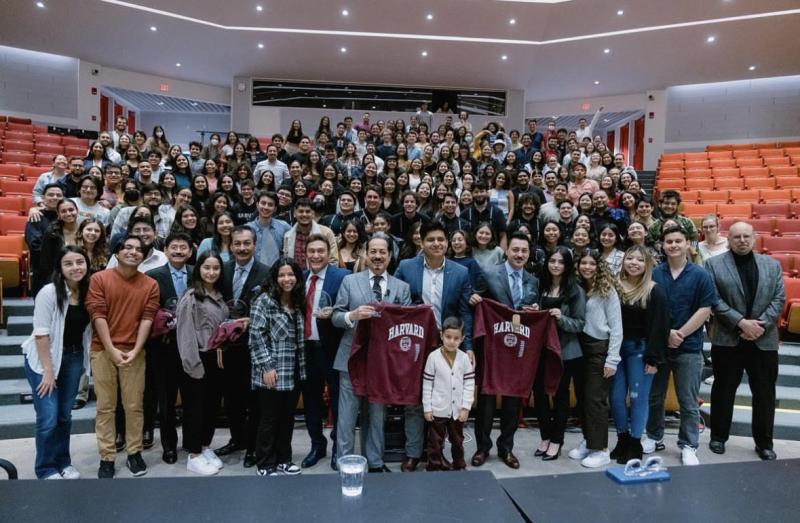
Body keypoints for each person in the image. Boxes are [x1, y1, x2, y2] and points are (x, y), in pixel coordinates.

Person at [395, 221, 473, 472]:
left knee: (443, 401)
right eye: (431, 240)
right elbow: (396, 303)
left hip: (448, 344)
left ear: (447, 243)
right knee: (415, 400)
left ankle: (438, 453)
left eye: (441, 239)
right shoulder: (406, 267)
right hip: (414, 343)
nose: (436, 244)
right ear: (421, 242)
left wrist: (467, 345)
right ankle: (414, 452)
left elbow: (464, 312)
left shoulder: (460, 272)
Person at [332, 233, 412, 472]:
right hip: (350, 358)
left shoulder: (402, 288)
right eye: (373, 251)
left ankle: (375, 462)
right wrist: (351, 316)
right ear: (365, 254)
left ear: (389, 256)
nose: (377, 256)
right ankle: (344, 461)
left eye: (382, 252)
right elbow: (335, 316)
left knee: (377, 415)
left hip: (382, 363)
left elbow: (406, 326)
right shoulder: (349, 281)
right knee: (347, 416)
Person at [705, 222, 785, 460]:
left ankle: (764, 443)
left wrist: (758, 326)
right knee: (723, 390)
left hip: (763, 338)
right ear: (728, 239)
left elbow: (779, 299)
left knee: (764, 393)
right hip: (729, 338)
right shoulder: (713, 264)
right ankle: (718, 437)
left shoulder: (772, 265)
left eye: (746, 236)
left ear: (755, 238)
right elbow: (714, 299)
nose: (742, 240)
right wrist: (741, 322)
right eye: (736, 236)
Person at [86, 235, 160, 479]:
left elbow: (148, 318)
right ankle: (107, 457)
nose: (133, 252)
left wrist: (136, 350)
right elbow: (98, 315)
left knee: (133, 406)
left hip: (134, 352)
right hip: (102, 350)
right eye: (127, 247)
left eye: (139, 249)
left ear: (144, 256)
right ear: (117, 252)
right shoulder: (99, 279)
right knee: (105, 407)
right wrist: (111, 349)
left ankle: (134, 453)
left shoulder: (150, 284)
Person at [645, 226, 717, 466]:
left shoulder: (700, 275)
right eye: (668, 241)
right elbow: (648, 308)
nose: (673, 245)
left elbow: (705, 308)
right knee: (655, 397)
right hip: (660, 346)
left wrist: (680, 334)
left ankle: (688, 445)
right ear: (662, 246)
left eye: (678, 241)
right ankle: (654, 436)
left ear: (688, 244)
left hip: (689, 347)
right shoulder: (654, 273)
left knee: (688, 400)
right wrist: (665, 334)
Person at [468, 232, 539, 469]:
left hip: (518, 350)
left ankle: (506, 448)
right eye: (515, 249)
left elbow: (531, 312)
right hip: (492, 348)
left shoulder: (533, 280)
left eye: (524, 251)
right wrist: (474, 300)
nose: (519, 254)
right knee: (487, 400)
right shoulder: (489, 274)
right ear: (506, 251)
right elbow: (473, 302)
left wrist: (536, 308)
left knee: (513, 400)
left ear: (528, 254)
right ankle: (482, 448)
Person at [22, 246, 92, 479]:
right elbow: (41, 334)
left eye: (80, 262)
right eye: (69, 263)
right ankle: (45, 468)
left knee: (64, 416)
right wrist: (48, 372)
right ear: (60, 269)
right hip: (44, 360)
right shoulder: (49, 292)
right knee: (48, 418)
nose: (75, 267)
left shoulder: (89, 291)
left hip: (72, 357)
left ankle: (63, 462)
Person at [213, 227, 271, 468]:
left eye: (247, 243)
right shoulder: (221, 270)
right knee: (232, 398)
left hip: (253, 346)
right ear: (231, 245)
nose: (242, 248)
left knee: (253, 400)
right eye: (237, 244)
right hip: (225, 347)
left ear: (254, 245)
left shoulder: (266, 273)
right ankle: (237, 439)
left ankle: (252, 446)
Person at [610, 245, 670, 463]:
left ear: (648, 265)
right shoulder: (613, 287)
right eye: (630, 258)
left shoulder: (655, 290)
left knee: (637, 398)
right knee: (616, 398)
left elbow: (660, 327)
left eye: (640, 260)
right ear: (623, 261)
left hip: (640, 350)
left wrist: (653, 359)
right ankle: (622, 439)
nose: (634, 263)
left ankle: (635, 443)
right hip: (616, 350)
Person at [250, 257, 307, 476]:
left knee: (287, 418)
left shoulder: (297, 301)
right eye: (282, 275)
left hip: (293, 370)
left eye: (291, 275)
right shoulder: (264, 300)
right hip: (272, 370)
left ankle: (284, 459)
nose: (286, 279)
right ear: (275, 278)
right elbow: (256, 336)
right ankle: (265, 463)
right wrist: (267, 367)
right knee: (269, 419)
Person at [175, 251, 230, 475]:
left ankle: (205, 446)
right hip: (197, 358)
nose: (211, 272)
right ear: (198, 269)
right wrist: (192, 365)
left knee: (211, 407)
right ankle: (194, 454)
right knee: (195, 408)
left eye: (216, 268)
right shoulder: (191, 297)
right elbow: (185, 334)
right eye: (207, 267)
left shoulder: (219, 294)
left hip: (217, 358)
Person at [567, 250, 622, 468]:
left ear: (599, 267)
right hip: (579, 346)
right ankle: (590, 441)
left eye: (592, 263)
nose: (587, 267)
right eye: (583, 263)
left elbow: (617, 328)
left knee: (595, 400)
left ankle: (601, 449)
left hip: (599, 348)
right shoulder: (577, 288)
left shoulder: (607, 291)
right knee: (583, 398)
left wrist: (612, 360)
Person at [300, 235, 350, 470]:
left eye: (321, 251)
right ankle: (317, 446)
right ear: (306, 253)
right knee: (311, 402)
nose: (316, 256)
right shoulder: (299, 278)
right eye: (312, 251)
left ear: (328, 252)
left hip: (333, 349)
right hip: (306, 350)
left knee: (339, 403)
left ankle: (338, 448)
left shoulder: (342, 277)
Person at [143, 233, 193, 464]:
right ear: (166, 249)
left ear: (190, 251)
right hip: (164, 349)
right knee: (166, 401)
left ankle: (192, 443)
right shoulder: (152, 276)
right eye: (174, 247)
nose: (179, 251)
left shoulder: (197, 273)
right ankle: (169, 446)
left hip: (193, 347)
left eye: (184, 247)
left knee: (194, 399)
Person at [533, 246, 586, 461]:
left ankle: (557, 440)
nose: (556, 265)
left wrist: (560, 318)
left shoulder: (576, 291)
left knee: (560, 397)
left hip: (566, 353)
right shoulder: (540, 285)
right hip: (541, 350)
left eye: (561, 262)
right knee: (539, 395)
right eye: (552, 260)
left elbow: (580, 324)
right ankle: (545, 436)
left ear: (567, 266)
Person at [422, 317, 475, 471]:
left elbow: (469, 384)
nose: (452, 341)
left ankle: (459, 465)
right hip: (437, 408)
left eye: (456, 338)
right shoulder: (433, 357)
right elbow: (427, 384)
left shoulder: (465, 359)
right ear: (441, 335)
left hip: (457, 411)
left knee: (457, 440)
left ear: (462, 339)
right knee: (435, 441)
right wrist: (427, 408)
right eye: (448, 337)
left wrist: (465, 407)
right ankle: (434, 465)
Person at [247, 191, 291, 269]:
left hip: (277, 272)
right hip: (253, 272)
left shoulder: (284, 227)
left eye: (270, 205)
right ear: (257, 205)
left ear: (275, 209)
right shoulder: (247, 229)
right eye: (263, 203)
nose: (266, 207)